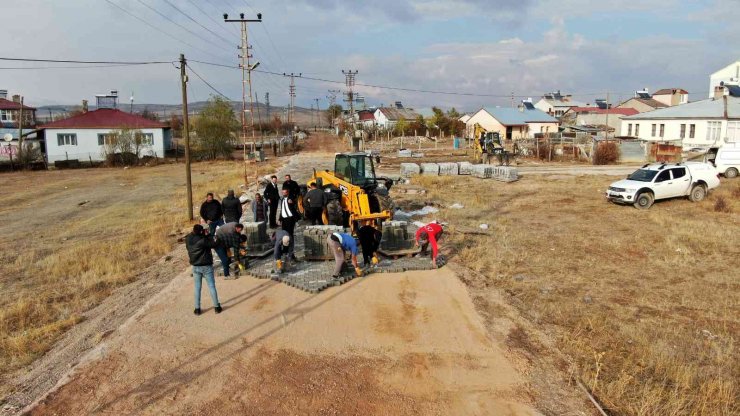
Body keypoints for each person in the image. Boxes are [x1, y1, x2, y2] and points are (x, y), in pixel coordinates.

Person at [185, 224, 222, 315]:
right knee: (211, 286)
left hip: (195, 266)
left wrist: (204, 235)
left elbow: (195, 238)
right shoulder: (203, 240)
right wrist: (210, 235)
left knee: (197, 288)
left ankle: (197, 309)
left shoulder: (188, 238)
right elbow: (214, 244)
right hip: (206, 265)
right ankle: (217, 307)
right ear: (201, 231)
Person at [277, 187, 299, 260]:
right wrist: (280, 219)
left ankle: (291, 252)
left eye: (285, 192)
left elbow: (294, 200)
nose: (283, 194)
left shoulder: (290, 197)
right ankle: (286, 250)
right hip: (284, 219)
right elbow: (282, 210)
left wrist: (292, 201)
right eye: (282, 193)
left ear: (288, 192)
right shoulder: (282, 199)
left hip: (290, 219)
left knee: (290, 235)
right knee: (284, 235)